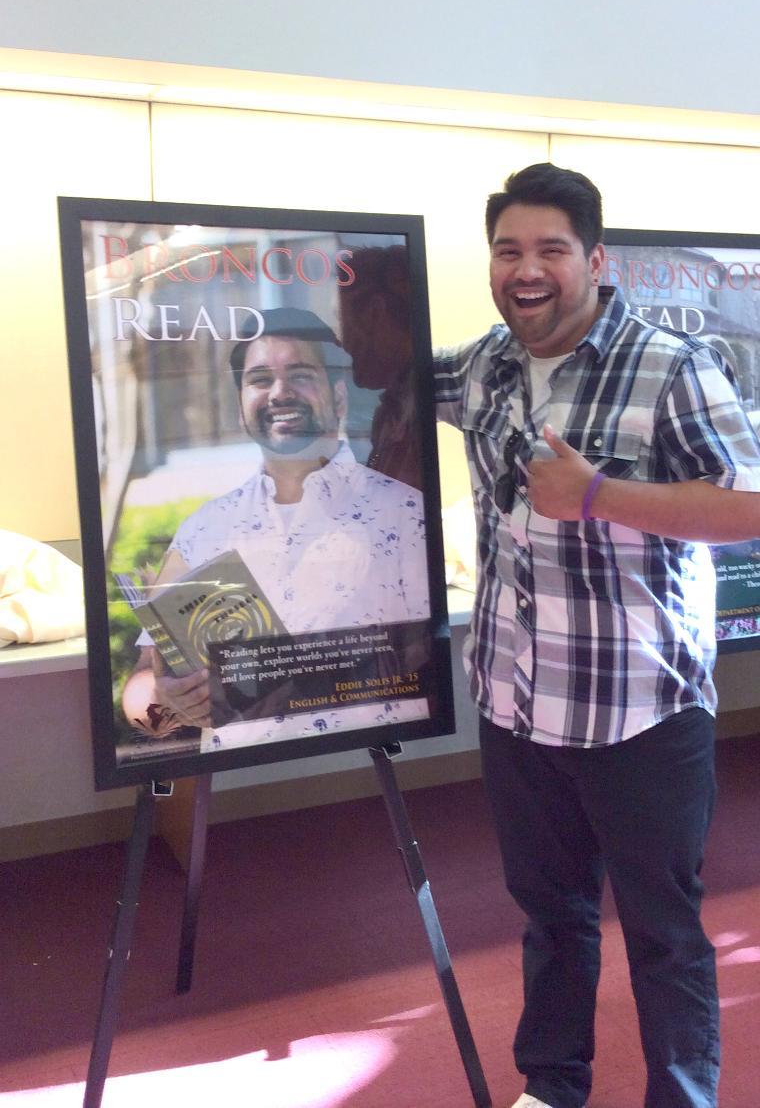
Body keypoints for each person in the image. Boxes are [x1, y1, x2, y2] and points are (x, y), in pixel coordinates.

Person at [435, 162, 760, 1108]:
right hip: (516, 705)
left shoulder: (671, 366)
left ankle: (682, 1097)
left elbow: (747, 508)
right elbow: (380, 373)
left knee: (663, 932)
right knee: (551, 916)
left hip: (640, 714)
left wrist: (598, 496)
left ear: (596, 259)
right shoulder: (482, 365)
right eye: (508, 250)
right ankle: (553, 1085)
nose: (527, 269)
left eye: (551, 249)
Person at [122, 307, 429, 741]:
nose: (280, 392)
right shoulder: (204, 528)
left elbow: (428, 663)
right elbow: (143, 685)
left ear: (339, 397)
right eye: (260, 379)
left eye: (301, 375)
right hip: (239, 775)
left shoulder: (406, 513)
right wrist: (166, 700)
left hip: (366, 764)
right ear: (240, 404)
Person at [339, 245, 423, 489]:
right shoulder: (393, 411)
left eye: (340, 318)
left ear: (374, 311)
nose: (340, 341)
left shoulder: (418, 409)